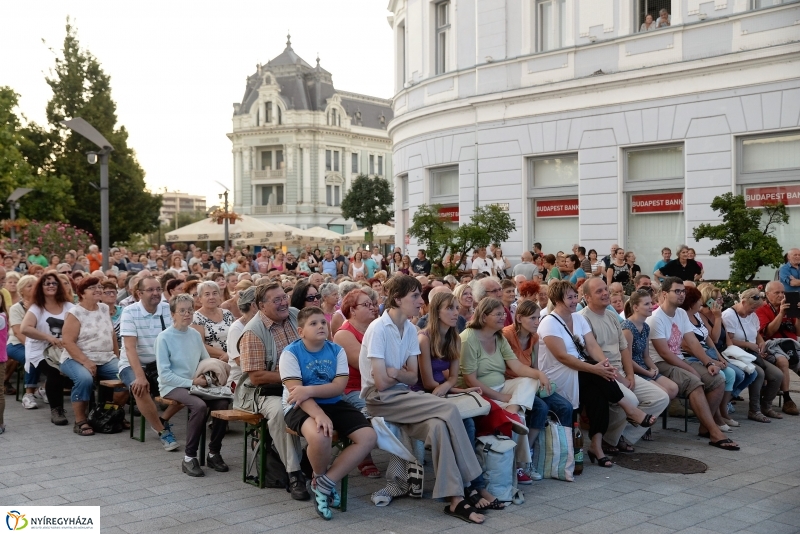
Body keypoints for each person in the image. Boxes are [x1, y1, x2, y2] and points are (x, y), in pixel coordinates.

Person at [360, 275, 485, 525]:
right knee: (449, 410)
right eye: (415, 296)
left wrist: (394, 373)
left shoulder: (408, 328)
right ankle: (474, 483)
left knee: (438, 426)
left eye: (420, 295)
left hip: (403, 396)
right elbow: (382, 383)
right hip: (379, 399)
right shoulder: (378, 328)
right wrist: (397, 374)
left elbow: (411, 375)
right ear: (397, 299)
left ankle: (455, 500)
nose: (420, 301)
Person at [538, 280, 658, 468]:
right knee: (596, 373)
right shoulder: (549, 323)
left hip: (581, 372)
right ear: (558, 300)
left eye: (574, 297)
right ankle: (631, 409)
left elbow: (592, 346)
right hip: (559, 375)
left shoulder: (578, 318)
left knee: (598, 395)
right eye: (569, 297)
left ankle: (596, 446)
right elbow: (562, 357)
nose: (573, 301)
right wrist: (597, 368)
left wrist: (604, 365)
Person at [279, 307, 376, 520]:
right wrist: (318, 414)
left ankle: (324, 483)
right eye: (313, 323)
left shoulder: (336, 350)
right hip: (299, 406)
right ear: (301, 331)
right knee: (321, 435)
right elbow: (297, 394)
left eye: (323, 322)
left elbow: (338, 387)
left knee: (368, 437)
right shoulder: (290, 353)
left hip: (332, 402)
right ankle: (319, 476)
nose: (321, 326)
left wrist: (310, 389)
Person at [647, 277, 738, 449]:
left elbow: (693, 342)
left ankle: (705, 427)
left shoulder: (681, 314)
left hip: (679, 360)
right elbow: (665, 353)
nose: (682, 294)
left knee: (718, 379)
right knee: (694, 382)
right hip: (660, 364)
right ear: (665, 294)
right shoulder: (656, 318)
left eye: (683, 291)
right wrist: (690, 369)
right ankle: (714, 432)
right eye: (677, 291)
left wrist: (708, 362)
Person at [580, 278, 670, 452]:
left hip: (621, 371)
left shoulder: (612, 315)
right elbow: (592, 354)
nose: (605, 293)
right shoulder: (583, 318)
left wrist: (629, 375)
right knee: (630, 400)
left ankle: (620, 436)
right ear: (587, 297)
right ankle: (609, 440)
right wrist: (620, 377)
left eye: (605, 289)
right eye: (599, 291)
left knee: (661, 398)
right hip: (603, 375)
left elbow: (624, 349)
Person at [238, 281, 308, 500]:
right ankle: (294, 473)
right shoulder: (253, 331)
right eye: (276, 300)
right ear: (261, 305)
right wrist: (293, 377)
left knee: (338, 404)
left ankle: (313, 463)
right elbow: (257, 377)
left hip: (302, 386)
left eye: (284, 297)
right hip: (265, 392)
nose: (283, 303)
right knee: (280, 413)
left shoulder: (297, 315)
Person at [156, 294, 229, 476]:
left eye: (190, 310)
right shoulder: (164, 338)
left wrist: (207, 377)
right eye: (182, 310)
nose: (187, 314)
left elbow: (205, 361)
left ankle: (214, 452)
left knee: (222, 403)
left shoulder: (195, 334)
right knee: (199, 406)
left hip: (196, 384)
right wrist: (191, 382)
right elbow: (165, 375)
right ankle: (189, 457)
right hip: (172, 386)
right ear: (173, 314)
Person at [117, 276, 181, 450]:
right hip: (132, 362)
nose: (155, 293)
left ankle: (161, 419)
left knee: (189, 387)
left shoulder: (168, 309)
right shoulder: (130, 311)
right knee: (140, 388)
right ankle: (163, 432)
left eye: (158, 289)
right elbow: (129, 348)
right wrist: (140, 376)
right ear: (139, 293)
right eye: (150, 290)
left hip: (161, 363)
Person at [59, 276, 124, 437]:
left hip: (105, 357)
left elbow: (112, 335)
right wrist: (86, 362)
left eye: (99, 287)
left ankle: (109, 413)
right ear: (81, 293)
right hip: (75, 357)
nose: (98, 290)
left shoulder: (103, 308)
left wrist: (118, 358)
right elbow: (68, 342)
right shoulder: (75, 313)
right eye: (92, 287)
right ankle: (80, 421)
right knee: (84, 379)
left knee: (126, 376)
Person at [332, 288, 381, 478]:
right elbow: (364, 365)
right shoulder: (343, 334)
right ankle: (363, 455)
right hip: (353, 388)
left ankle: (405, 456)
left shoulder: (375, 328)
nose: (373, 308)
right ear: (352, 310)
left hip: (378, 384)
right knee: (372, 412)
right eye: (366, 304)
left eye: (373, 303)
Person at [503, 299, 574, 431]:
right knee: (541, 407)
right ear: (519, 318)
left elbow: (535, 366)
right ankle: (530, 448)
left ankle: (564, 447)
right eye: (532, 318)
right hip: (512, 384)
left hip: (530, 382)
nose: (537, 322)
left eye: (538, 318)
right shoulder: (506, 335)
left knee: (566, 407)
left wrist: (541, 380)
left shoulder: (534, 337)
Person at [679, 286, 738, 429]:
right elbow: (688, 346)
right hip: (690, 357)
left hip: (706, 354)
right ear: (692, 302)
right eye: (699, 300)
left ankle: (721, 413)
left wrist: (719, 357)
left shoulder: (697, 315)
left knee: (731, 373)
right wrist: (711, 361)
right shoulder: (681, 317)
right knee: (720, 376)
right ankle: (714, 419)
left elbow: (710, 339)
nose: (702, 303)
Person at [722, 288, 785, 422]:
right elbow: (728, 341)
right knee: (759, 373)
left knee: (777, 375)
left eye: (756, 308)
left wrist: (761, 343)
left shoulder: (752, 315)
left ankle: (766, 406)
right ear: (743, 302)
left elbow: (756, 334)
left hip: (752, 354)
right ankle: (754, 410)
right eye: (752, 307)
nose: (754, 311)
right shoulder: (729, 315)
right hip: (736, 354)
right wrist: (748, 345)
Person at [20, 273, 74, 426]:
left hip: (63, 349)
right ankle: (57, 410)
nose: (51, 286)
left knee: (81, 372)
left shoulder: (69, 306)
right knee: (54, 372)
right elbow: (25, 328)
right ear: (41, 288)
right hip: (40, 350)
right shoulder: (37, 308)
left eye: (54, 283)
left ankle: (89, 409)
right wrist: (48, 338)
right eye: (47, 283)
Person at [756, 281, 800, 415]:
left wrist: (798, 315)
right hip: (771, 344)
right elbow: (768, 333)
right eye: (777, 293)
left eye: (783, 292)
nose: (781, 295)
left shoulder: (790, 308)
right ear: (768, 294)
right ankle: (787, 399)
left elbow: (798, 332)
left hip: (790, 344)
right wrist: (781, 314)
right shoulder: (761, 309)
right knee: (782, 361)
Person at [9, 275, 42, 408]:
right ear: (21, 291)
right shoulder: (16, 308)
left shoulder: (42, 306)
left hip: (40, 343)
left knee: (55, 358)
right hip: (16, 343)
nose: (34, 288)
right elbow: (18, 332)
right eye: (30, 286)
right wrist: (31, 347)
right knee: (32, 357)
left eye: (35, 285)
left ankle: (44, 389)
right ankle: (28, 394)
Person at [191, 281, 234, 363]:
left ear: (219, 296)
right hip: (212, 362)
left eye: (215, 293)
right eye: (207, 294)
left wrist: (231, 355)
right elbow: (200, 345)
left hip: (233, 358)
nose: (211, 297)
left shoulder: (227, 313)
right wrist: (225, 355)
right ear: (200, 298)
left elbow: (237, 336)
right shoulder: (196, 318)